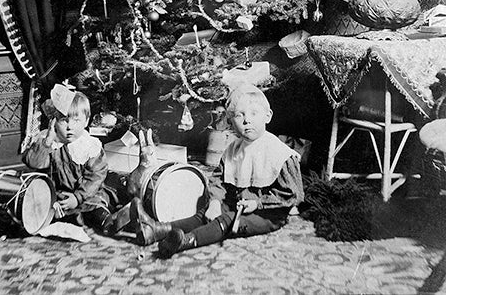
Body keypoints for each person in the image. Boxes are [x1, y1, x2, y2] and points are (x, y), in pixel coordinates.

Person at [131, 83, 304, 258]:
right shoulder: (233, 149)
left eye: (253, 113)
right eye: (239, 115)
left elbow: (292, 193)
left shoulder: (279, 153)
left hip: (266, 213)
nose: (247, 120)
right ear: (231, 120)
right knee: (205, 213)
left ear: (268, 116)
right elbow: (217, 179)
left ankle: (185, 241)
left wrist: (258, 203)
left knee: (227, 219)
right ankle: (158, 230)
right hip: (237, 202)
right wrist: (214, 203)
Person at [22, 85, 114, 233]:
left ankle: (104, 219)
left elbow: (96, 177)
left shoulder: (89, 145)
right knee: (44, 208)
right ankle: (70, 218)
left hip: (86, 194)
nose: (70, 127)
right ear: (53, 121)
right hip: (58, 195)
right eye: (64, 120)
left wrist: (78, 198)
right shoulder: (50, 142)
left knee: (96, 205)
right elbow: (33, 163)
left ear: (86, 121)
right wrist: (47, 142)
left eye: (76, 121)